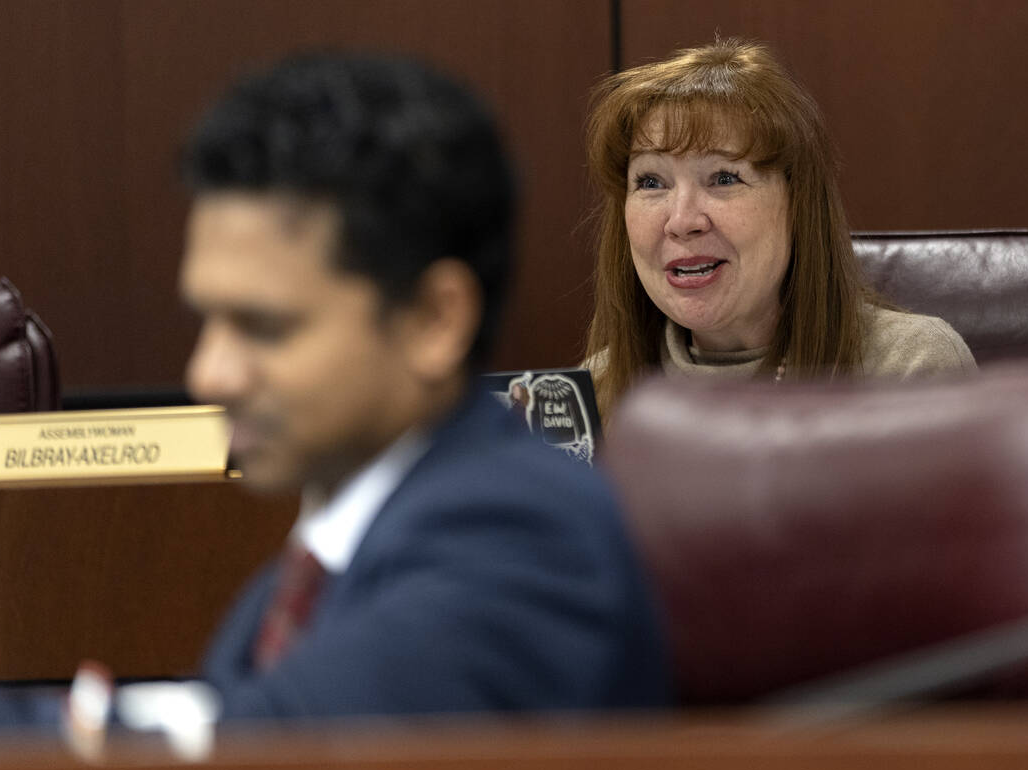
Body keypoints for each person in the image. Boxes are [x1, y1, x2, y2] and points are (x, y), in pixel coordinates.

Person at [176, 53, 670, 720]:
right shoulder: (306, 573)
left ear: (435, 320)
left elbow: (254, 761)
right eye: (207, 319)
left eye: (264, 327)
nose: (208, 373)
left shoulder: (522, 538)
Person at [583, 39, 976, 421]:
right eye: (651, 183)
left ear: (798, 206)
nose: (683, 221)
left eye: (723, 177)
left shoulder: (908, 369)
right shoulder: (596, 389)